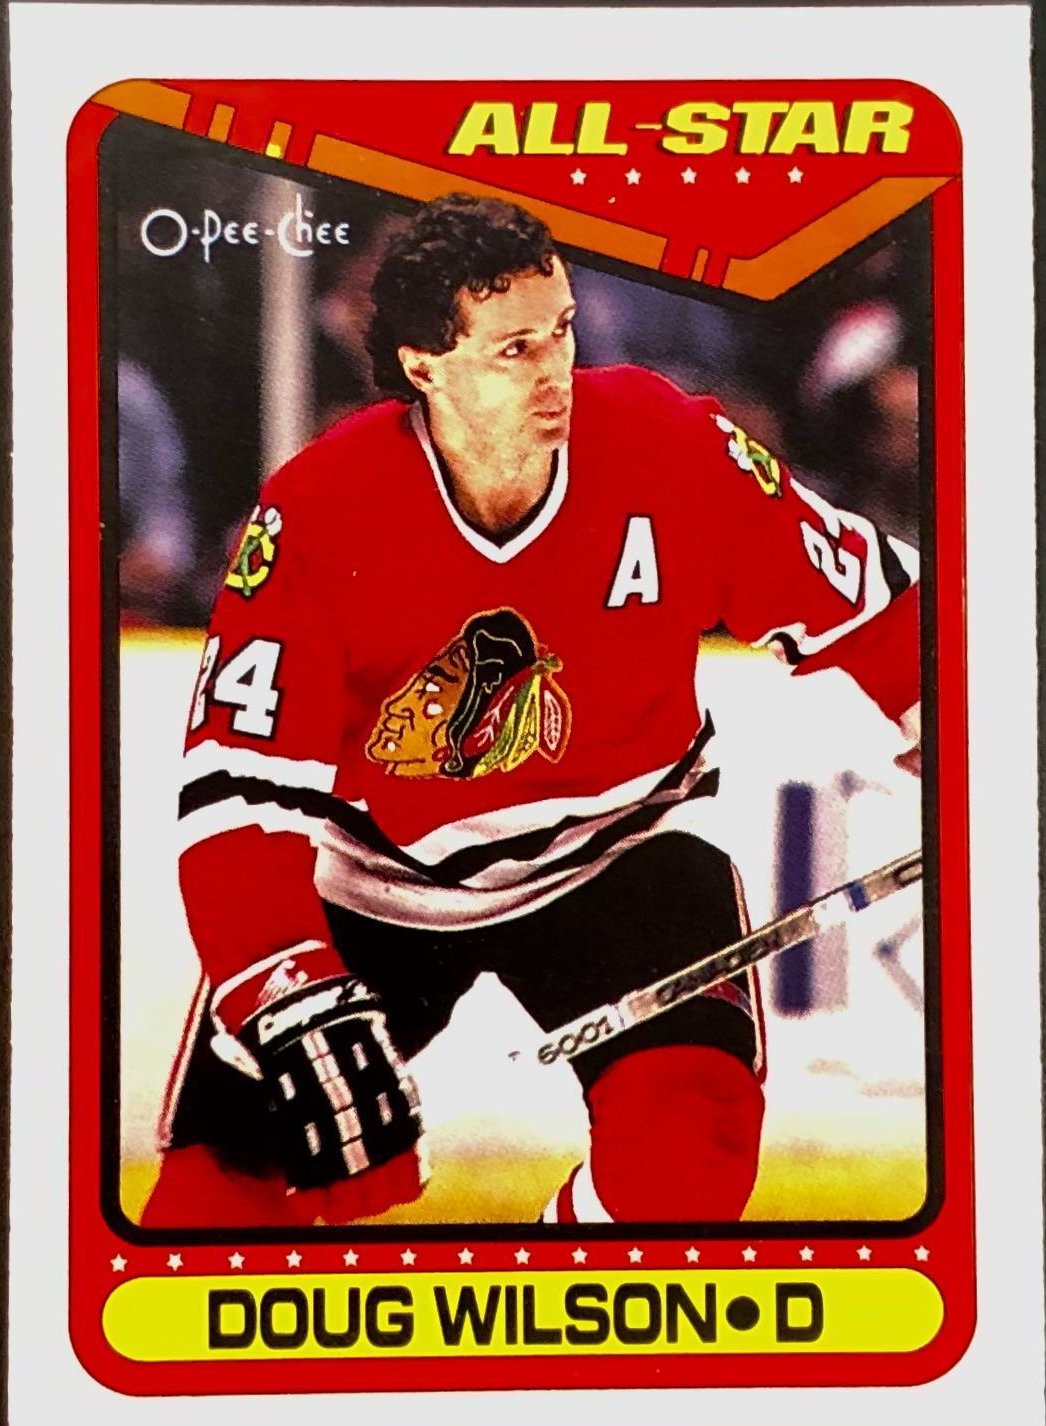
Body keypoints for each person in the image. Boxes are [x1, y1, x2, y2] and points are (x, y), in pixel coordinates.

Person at [141, 193, 920, 1228]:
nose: (556, 370)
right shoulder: (320, 511)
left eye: (561, 330)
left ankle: (560, 1286)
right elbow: (235, 796)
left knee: (684, 1161)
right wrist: (288, 987)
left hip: (621, 854)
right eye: (514, 349)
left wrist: (958, 720)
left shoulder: (665, 445)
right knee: (209, 1216)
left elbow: (879, 602)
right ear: (425, 364)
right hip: (370, 878)